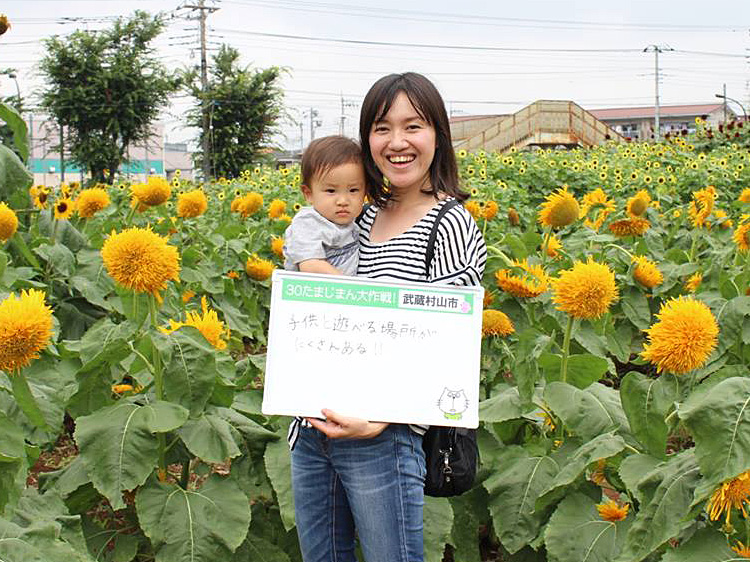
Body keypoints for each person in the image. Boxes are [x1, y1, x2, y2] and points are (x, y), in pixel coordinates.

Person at [290, 72, 487, 562]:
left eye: (412, 126)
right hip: (312, 429)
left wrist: (378, 418)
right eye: (381, 128)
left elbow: (450, 347)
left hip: (383, 436)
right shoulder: (356, 211)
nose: (397, 142)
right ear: (367, 140)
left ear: (437, 135)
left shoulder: (451, 222)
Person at [283, 135, 366, 276]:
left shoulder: (354, 223)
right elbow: (311, 265)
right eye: (331, 191)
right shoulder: (308, 223)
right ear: (308, 194)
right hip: (314, 294)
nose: (343, 201)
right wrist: (351, 288)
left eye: (353, 190)